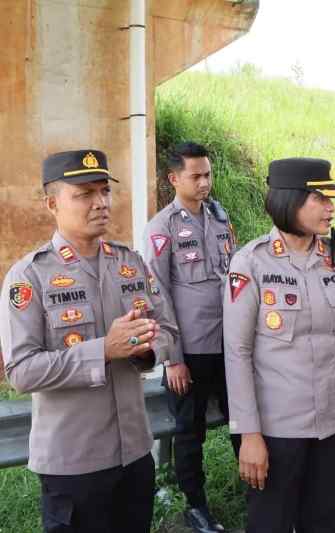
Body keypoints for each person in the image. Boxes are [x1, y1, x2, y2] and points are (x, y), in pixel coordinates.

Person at [0, 149, 178, 533]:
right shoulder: (29, 276)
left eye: (104, 191)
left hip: (134, 455)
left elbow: (167, 331)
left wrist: (146, 350)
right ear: (52, 203)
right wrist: (103, 350)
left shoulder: (130, 262)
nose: (100, 203)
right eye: (84, 194)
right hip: (73, 466)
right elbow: (21, 371)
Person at [223, 157, 335, 533]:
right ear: (290, 201)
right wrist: (248, 434)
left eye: (332, 200)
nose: (331, 208)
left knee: (323, 522)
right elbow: (237, 353)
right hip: (279, 432)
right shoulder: (250, 264)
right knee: (270, 524)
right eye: (321, 199)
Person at [144, 141, 240, 533]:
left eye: (208, 174)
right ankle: (196, 506)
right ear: (174, 178)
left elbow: (233, 278)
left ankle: (258, 485)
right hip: (191, 350)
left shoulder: (220, 218)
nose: (205, 183)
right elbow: (156, 294)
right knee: (190, 432)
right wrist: (172, 357)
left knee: (243, 417)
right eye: (195, 176)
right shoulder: (162, 227)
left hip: (228, 345)